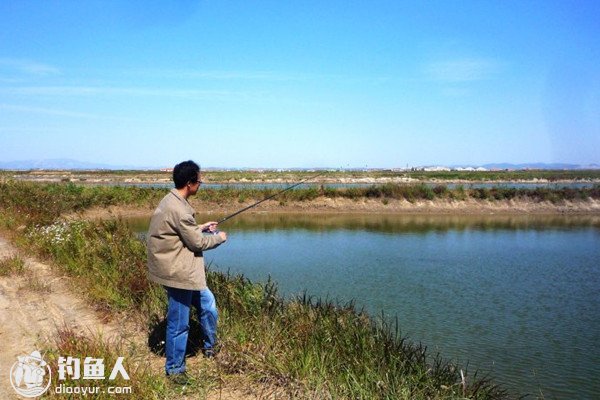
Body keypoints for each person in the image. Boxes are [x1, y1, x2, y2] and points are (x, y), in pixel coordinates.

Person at [146, 160, 227, 382]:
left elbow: (182, 231)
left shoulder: (172, 200)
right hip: (178, 273)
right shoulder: (179, 209)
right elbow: (197, 244)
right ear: (190, 183)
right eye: (199, 181)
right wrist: (218, 238)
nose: (200, 184)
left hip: (178, 269)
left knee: (208, 305)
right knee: (179, 323)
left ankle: (210, 349)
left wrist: (200, 227)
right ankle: (175, 370)